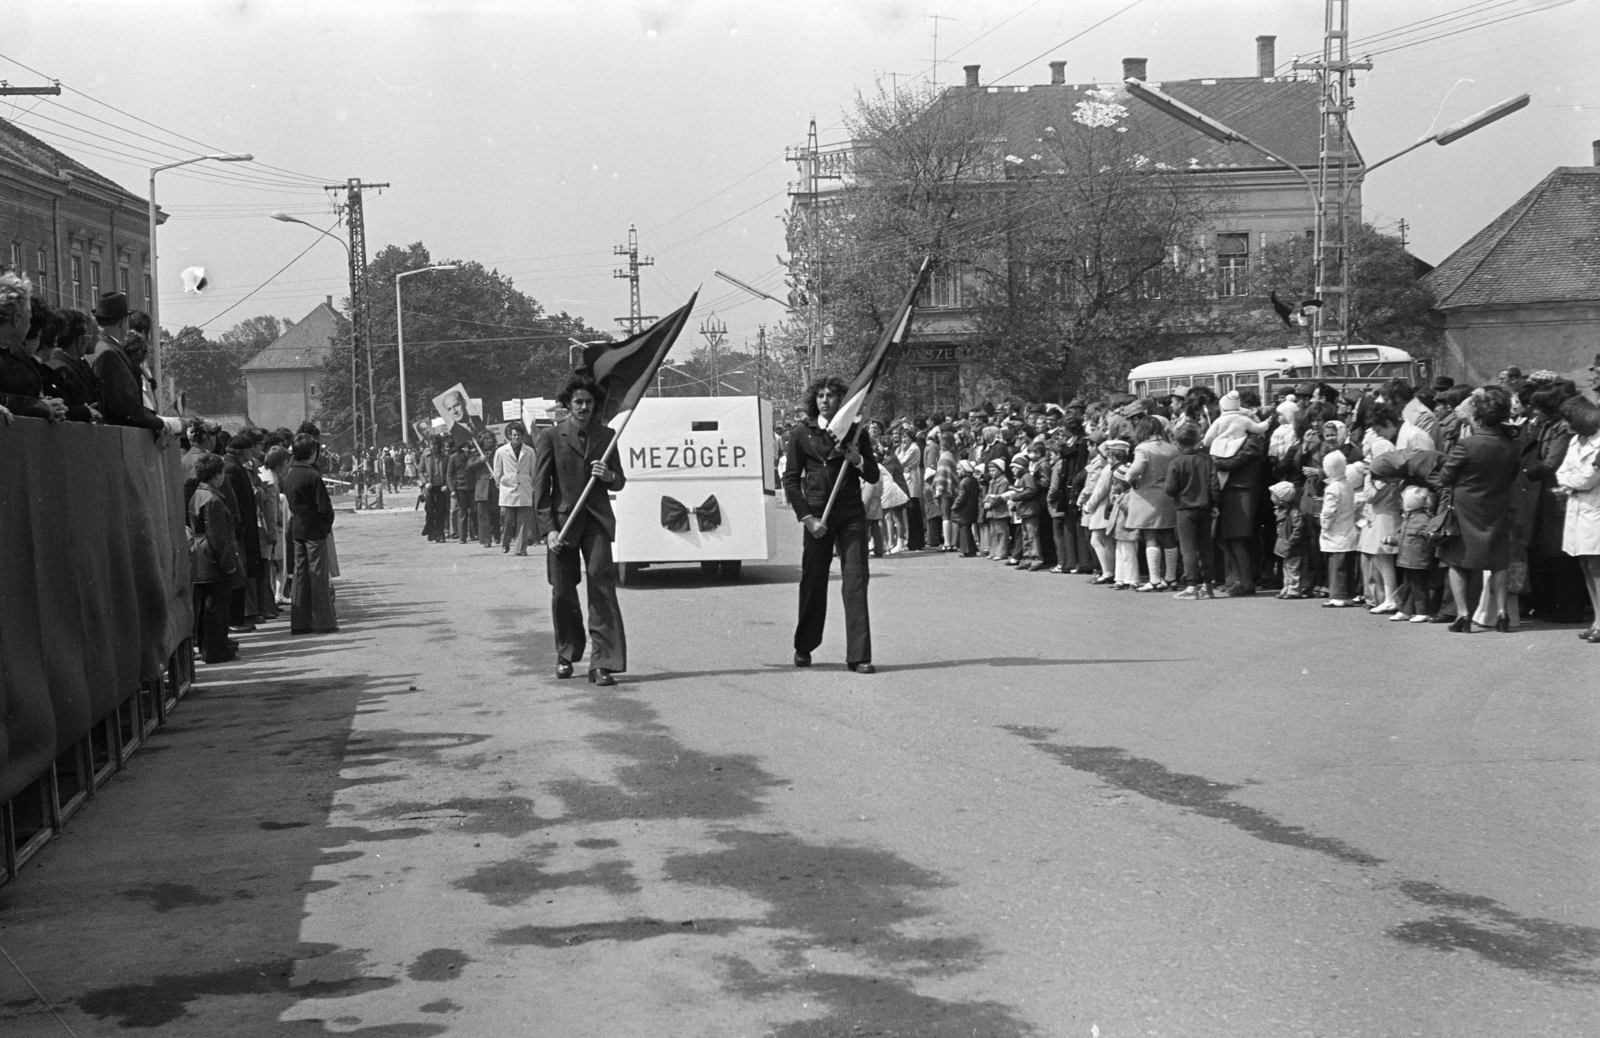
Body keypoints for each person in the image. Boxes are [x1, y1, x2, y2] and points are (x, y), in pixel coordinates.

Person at [533, 373, 628, 685]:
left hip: (596, 523)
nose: (584, 407)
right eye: (578, 402)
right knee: (562, 592)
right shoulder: (550, 437)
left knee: (601, 587)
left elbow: (620, 480)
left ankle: (603, 663)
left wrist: (607, 476)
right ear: (568, 405)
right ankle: (566, 653)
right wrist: (548, 530)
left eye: (589, 402)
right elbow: (540, 489)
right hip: (562, 526)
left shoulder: (607, 435)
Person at [783, 376, 880, 673]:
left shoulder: (855, 432)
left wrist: (858, 460)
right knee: (813, 582)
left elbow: (873, 476)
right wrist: (807, 517)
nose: (825, 400)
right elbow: (789, 479)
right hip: (817, 517)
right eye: (821, 395)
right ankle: (804, 645)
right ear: (814, 400)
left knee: (855, 581)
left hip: (850, 514)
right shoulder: (802, 433)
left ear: (842, 400)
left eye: (831, 395)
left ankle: (859, 655)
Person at [1430, 385, 1522, 633]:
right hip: (1497, 506)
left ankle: (1463, 614)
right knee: (1499, 563)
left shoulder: (1467, 445)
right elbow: (1512, 475)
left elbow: (1447, 476)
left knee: (1457, 562)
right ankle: (1502, 613)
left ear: (1478, 416)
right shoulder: (1513, 445)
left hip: (1466, 509)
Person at [88, 291, 178, 436]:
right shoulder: (108, 353)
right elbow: (124, 407)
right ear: (123, 322)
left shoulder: (97, 347)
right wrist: (165, 424)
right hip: (117, 437)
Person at [1554, 395, 1600, 641]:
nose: (1563, 423)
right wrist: (1573, 481)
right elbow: (1562, 472)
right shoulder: (1575, 441)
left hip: (1595, 512)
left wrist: (1571, 482)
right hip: (1579, 510)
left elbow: (1587, 479)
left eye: (1567, 418)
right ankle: (1597, 619)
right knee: (1585, 566)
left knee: (1596, 568)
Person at [189, 453, 241, 664]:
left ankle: (207, 645)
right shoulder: (212, 500)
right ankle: (215, 650)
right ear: (217, 474)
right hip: (211, 556)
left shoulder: (199, 494)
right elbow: (219, 537)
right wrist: (229, 564)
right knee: (216, 606)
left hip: (199, 553)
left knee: (206, 605)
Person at [284, 433, 338, 635]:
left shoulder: (290, 474)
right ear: (312, 453)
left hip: (298, 528)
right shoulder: (312, 475)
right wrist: (326, 525)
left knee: (300, 576)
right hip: (315, 530)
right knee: (318, 576)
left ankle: (300, 622)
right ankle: (324, 621)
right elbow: (324, 507)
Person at [1164, 424, 1219, 600]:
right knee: (1206, 547)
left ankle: (1191, 586)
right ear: (1196, 440)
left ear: (1178, 443)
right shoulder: (1207, 460)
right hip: (1205, 506)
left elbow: (1170, 488)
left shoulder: (1176, 462)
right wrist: (1215, 503)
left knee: (1188, 548)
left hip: (1185, 508)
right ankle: (1208, 585)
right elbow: (1214, 485)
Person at [495, 422, 537, 554]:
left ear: (522, 436)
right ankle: (505, 542)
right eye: (514, 435)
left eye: (518, 435)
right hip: (508, 489)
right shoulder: (501, 451)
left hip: (524, 488)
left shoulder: (529, 451)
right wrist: (501, 482)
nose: (516, 438)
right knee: (507, 520)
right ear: (509, 436)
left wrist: (533, 484)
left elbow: (533, 470)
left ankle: (520, 548)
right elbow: (497, 471)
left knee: (523, 522)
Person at [420, 436, 450, 542]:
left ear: (439, 445)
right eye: (431, 444)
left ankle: (440, 535)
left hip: (441, 487)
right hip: (429, 487)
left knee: (440, 511)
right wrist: (425, 483)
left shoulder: (445, 457)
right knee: (430, 510)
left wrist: (446, 484)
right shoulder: (425, 456)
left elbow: (448, 472)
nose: (433, 446)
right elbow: (420, 470)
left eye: (435, 444)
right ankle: (430, 531)